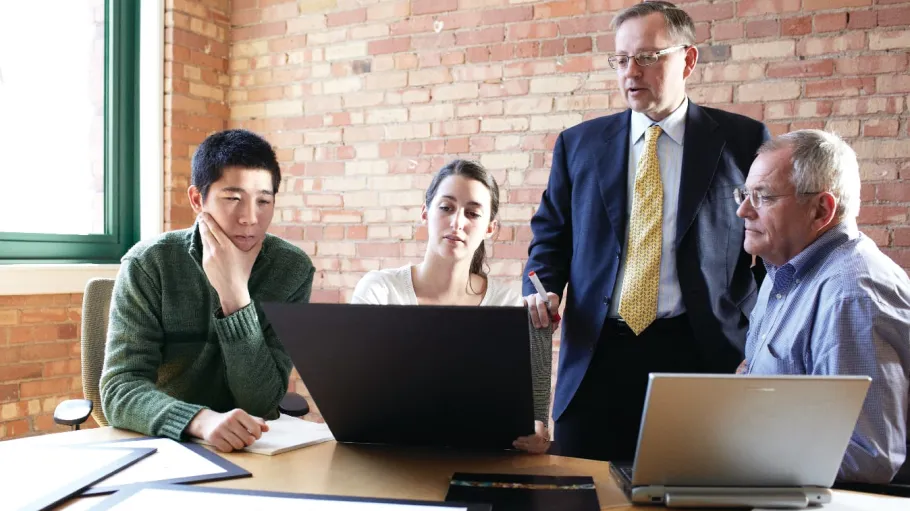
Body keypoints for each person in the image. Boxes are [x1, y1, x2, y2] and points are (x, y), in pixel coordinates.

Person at [523, 0, 770, 462]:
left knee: (694, 491)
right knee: (579, 492)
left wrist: (757, 336)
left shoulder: (743, 141)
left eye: (648, 57)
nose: (630, 71)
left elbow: (772, 250)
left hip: (701, 354)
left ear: (688, 60)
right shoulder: (579, 144)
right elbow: (550, 239)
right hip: (598, 354)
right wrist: (542, 287)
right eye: (621, 59)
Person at [100, 129, 315, 452]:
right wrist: (200, 421)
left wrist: (235, 296)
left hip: (254, 446)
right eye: (233, 198)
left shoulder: (292, 269)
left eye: (264, 201)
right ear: (198, 199)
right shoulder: (150, 263)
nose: (250, 218)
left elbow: (262, 401)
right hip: (164, 443)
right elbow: (119, 389)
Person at [736, 129, 910, 484]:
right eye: (744, 194)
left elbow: (867, 456)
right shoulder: (784, 267)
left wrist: (731, 453)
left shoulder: (852, 295)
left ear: (821, 209)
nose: (743, 210)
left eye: (763, 197)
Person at [352, 159, 552, 454]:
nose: (457, 222)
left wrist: (537, 429)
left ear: (490, 228)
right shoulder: (380, 290)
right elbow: (357, 393)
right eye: (446, 207)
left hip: (480, 457)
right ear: (425, 212)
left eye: (472, 213)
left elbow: (530, 412)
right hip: (387, 454)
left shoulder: (506, 304)